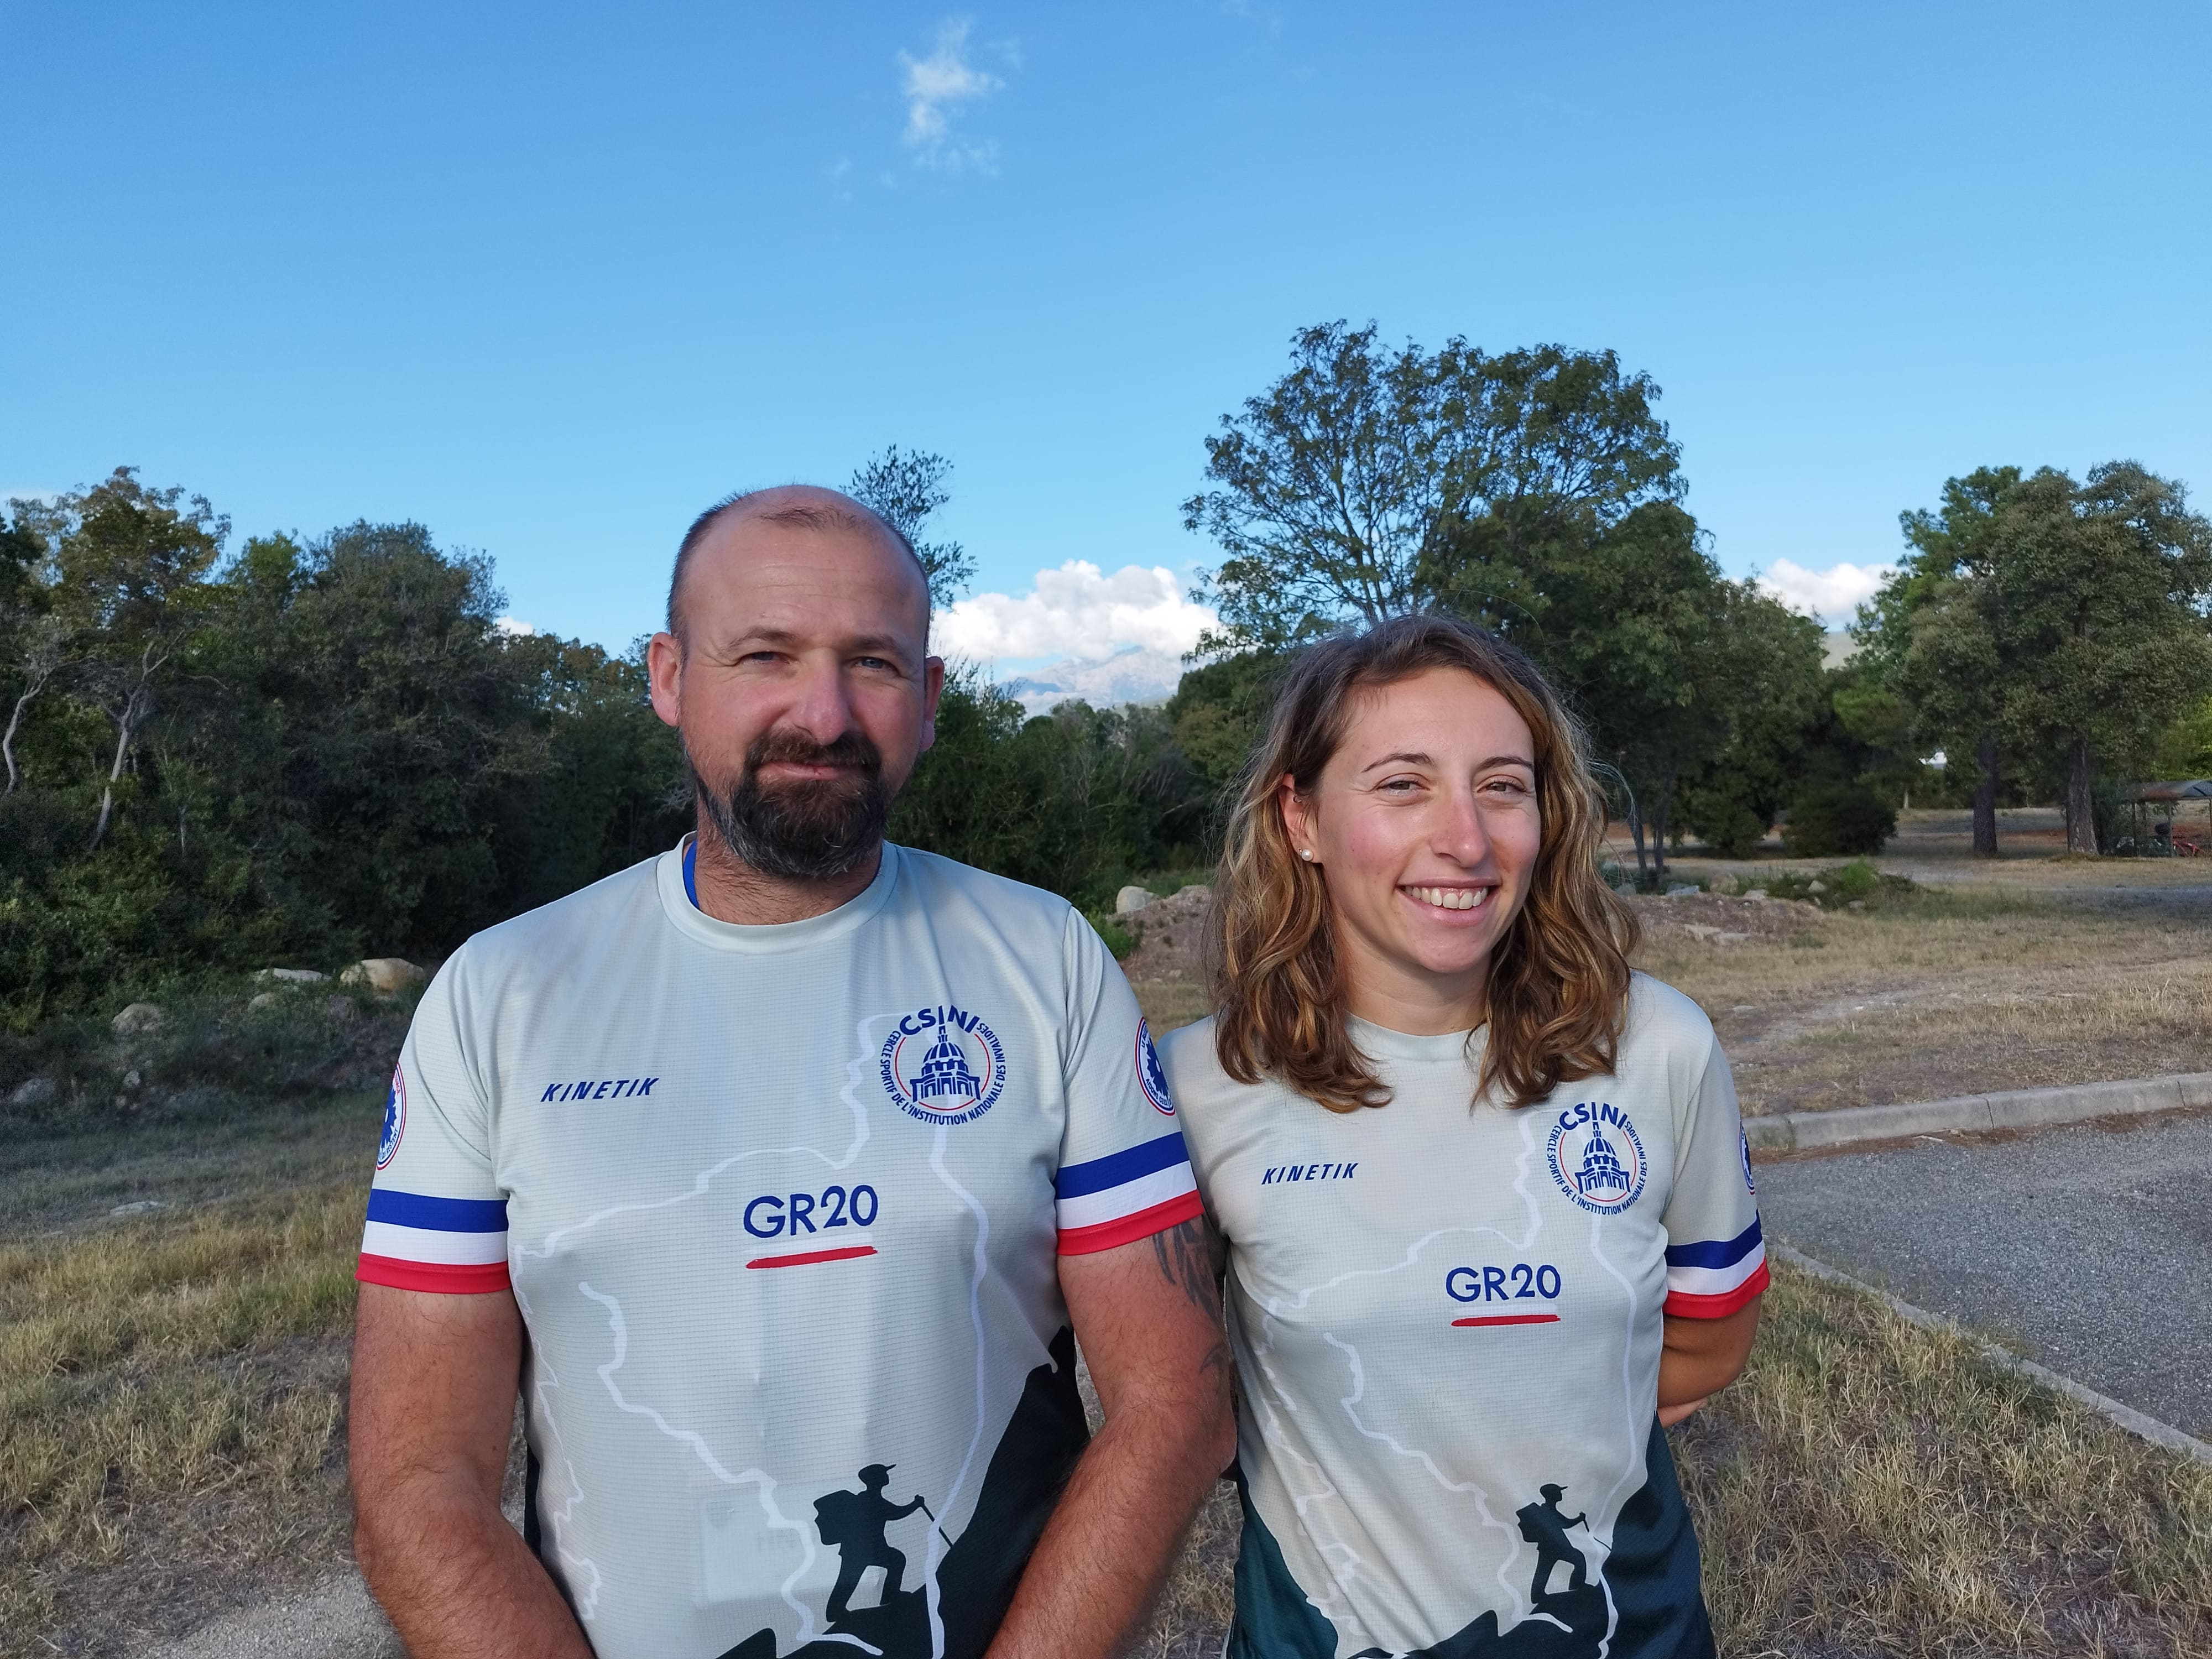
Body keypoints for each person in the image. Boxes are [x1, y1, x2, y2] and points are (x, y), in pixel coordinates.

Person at [348, 486, 1234, 1659]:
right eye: (763, 653)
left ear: (924, 701)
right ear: (668, 677)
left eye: (870, 664)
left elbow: (1172, 1404)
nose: (820, 714)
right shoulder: (499, 994)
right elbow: (418, 1478)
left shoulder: (1045, 959)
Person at [1159, 614, 1766, 1659]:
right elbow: (1187, 1394)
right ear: (1299, 817)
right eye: (1403, 785)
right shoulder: (1194, 1085)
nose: (1468, 840)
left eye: (1502, 785)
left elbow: (1707, 1342)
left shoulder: (1660, 1045)